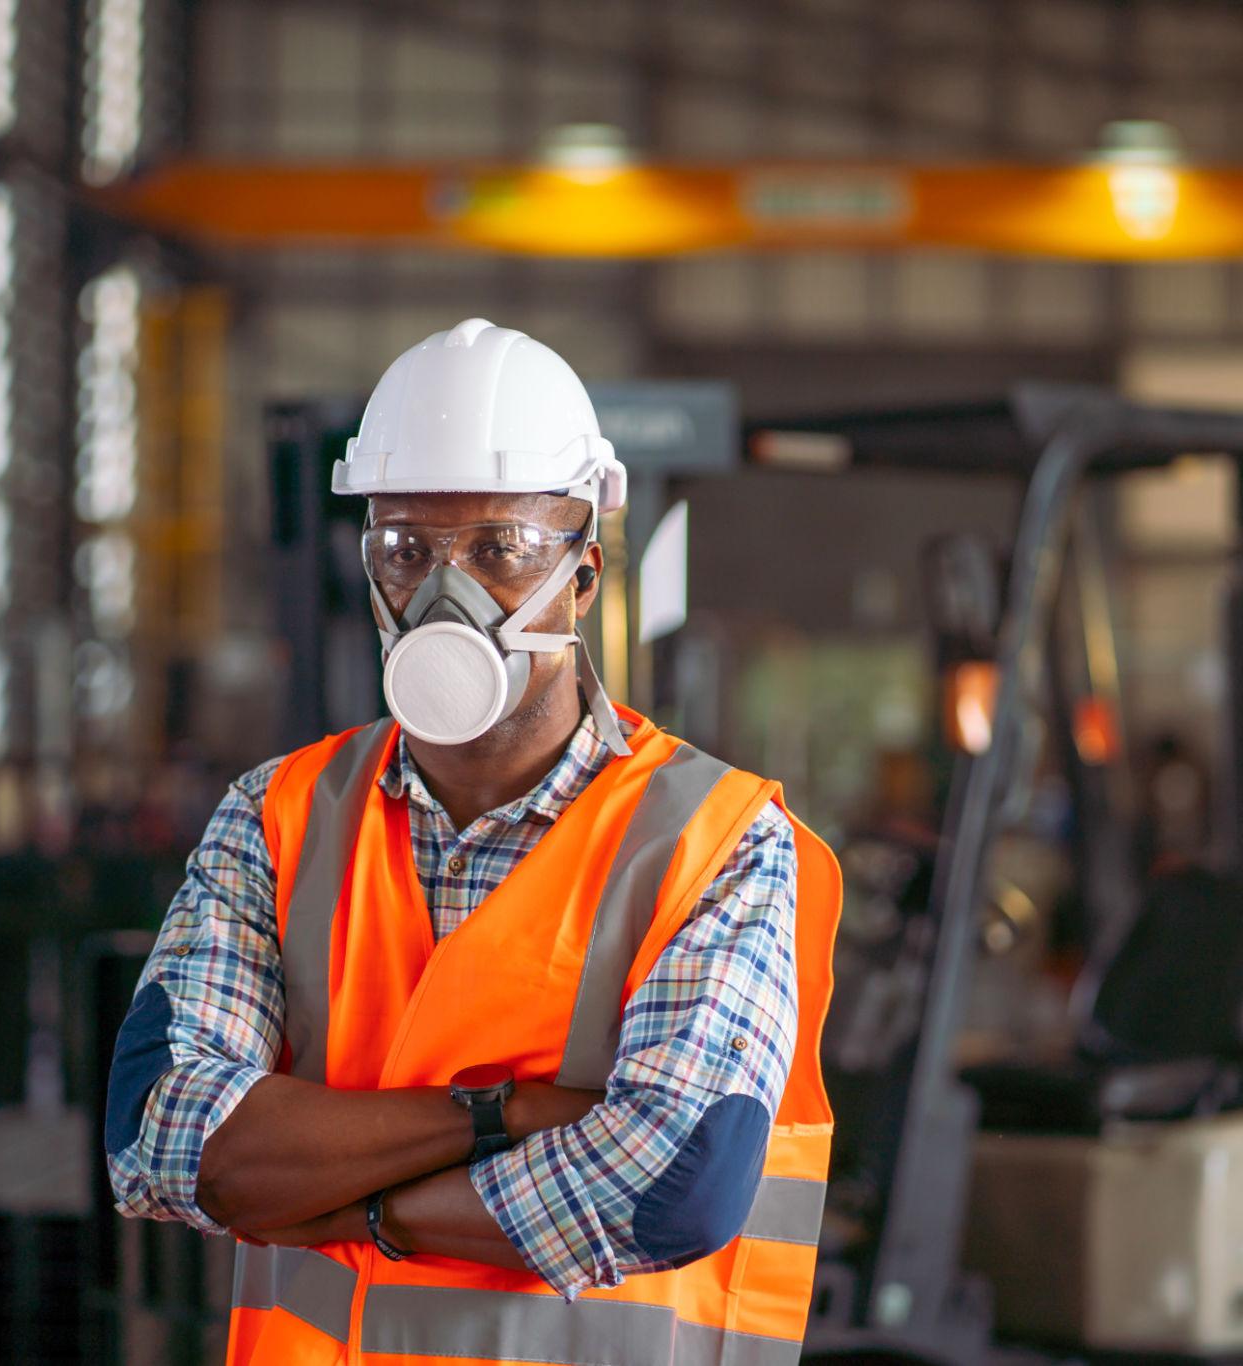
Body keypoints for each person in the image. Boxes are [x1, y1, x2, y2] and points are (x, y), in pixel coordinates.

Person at [103, 319, 841, 1366]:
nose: (443, 594)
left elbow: (671, 1181)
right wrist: (507, 1113)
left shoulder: (714, 842)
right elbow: (165, 1143)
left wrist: (362, 1215)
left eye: (499, 550)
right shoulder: (277, 816)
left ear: (581, 578)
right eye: (405, 550)